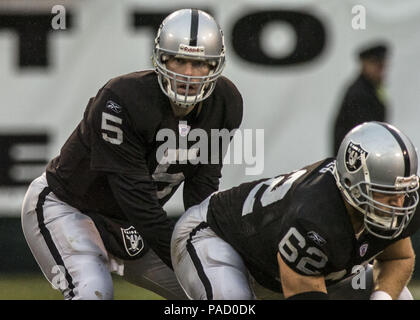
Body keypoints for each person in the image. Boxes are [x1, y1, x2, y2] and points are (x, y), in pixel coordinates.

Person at [21, 8, 243, 300]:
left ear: (215, 65)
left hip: (133, 223)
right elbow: (138, 203)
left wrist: (209, 251)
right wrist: (193, 256)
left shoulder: (225, 103)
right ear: (161, 59)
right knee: (91, 291)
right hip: (68, 208)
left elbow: (201, 190)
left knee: (225, 293)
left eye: (199, 63)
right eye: (179, 59)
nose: (188, 74)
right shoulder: (123, 99)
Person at [171, 121, 420, 300]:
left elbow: (399, 258)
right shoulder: (316, 217)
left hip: (289, 266)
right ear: (350, 183)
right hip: (216, 236)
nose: (399, 203)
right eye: (385, 192)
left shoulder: (400, 204)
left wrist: (382, 296)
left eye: (403, 192)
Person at [332, 42, 389, 155]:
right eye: (376, 66)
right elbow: (363, 136)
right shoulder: (360, 93)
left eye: (382, 66)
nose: (380, 71)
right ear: (364, 64)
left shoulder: (371, 89)